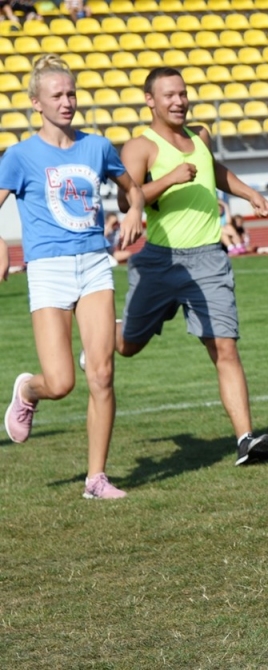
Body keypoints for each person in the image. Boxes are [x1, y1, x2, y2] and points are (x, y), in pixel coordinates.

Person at [114, 66, 268, 467]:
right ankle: (100, 341)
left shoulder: (200, 136)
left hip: (207, 258)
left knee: (224, 346)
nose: (179, 101)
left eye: (183, 93)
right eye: (169, 95)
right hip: (160, 262)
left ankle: (245, 440)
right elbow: (126, 202)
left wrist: (248, 191)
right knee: (127, 346)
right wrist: (168, 178)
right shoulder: (139, 147)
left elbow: (214, 170)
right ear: (150, 100)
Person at [0, 55, 146, 499]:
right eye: (57, 95)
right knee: (61, 382)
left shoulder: (98, 147)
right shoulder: (20, 156)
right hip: (48, 270)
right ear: (36, 104)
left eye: (71, 93)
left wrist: (135, 209)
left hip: (95, 265)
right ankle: (28, 389)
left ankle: (95, 478)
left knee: (102, 374)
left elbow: (131, 188)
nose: (67, 102)